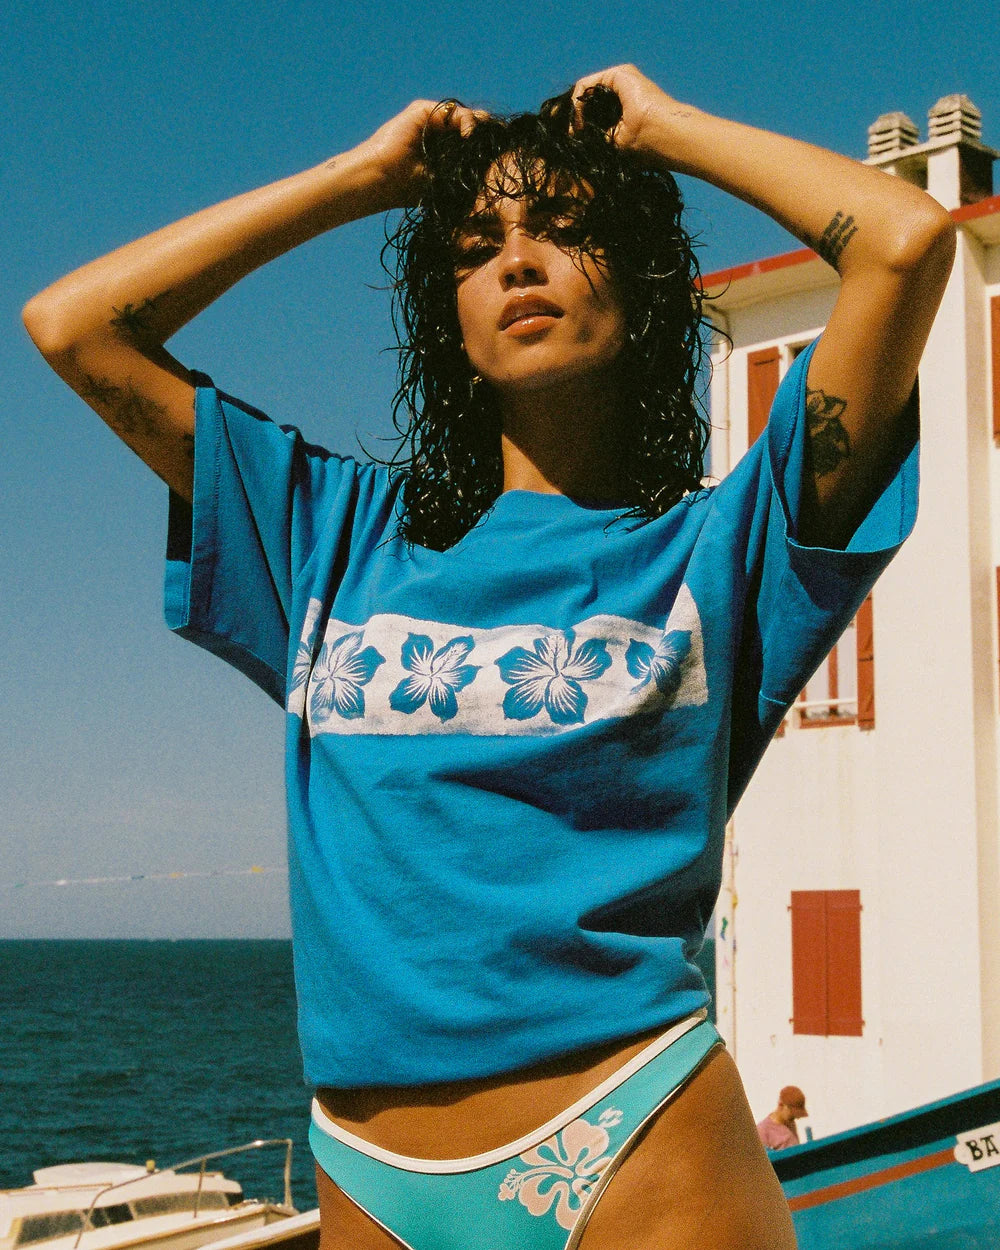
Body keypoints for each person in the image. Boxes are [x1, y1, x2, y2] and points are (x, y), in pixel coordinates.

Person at [23, 62, 953, 1250]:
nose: (518, 260)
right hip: (370, 1169)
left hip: (636, 1140)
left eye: (567, 231)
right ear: (448, 322)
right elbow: (76, 326)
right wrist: (361, 180)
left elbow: (902, 239)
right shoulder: (326, 534)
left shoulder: (729, 547)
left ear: (647, 291)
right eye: (476, 243)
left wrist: (665, 130)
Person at [757, 1086, 809, 1151]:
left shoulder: (791, 1123)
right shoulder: (763, 1130)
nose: (797, 1118)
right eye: (792, 1114)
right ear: (781, 1105)